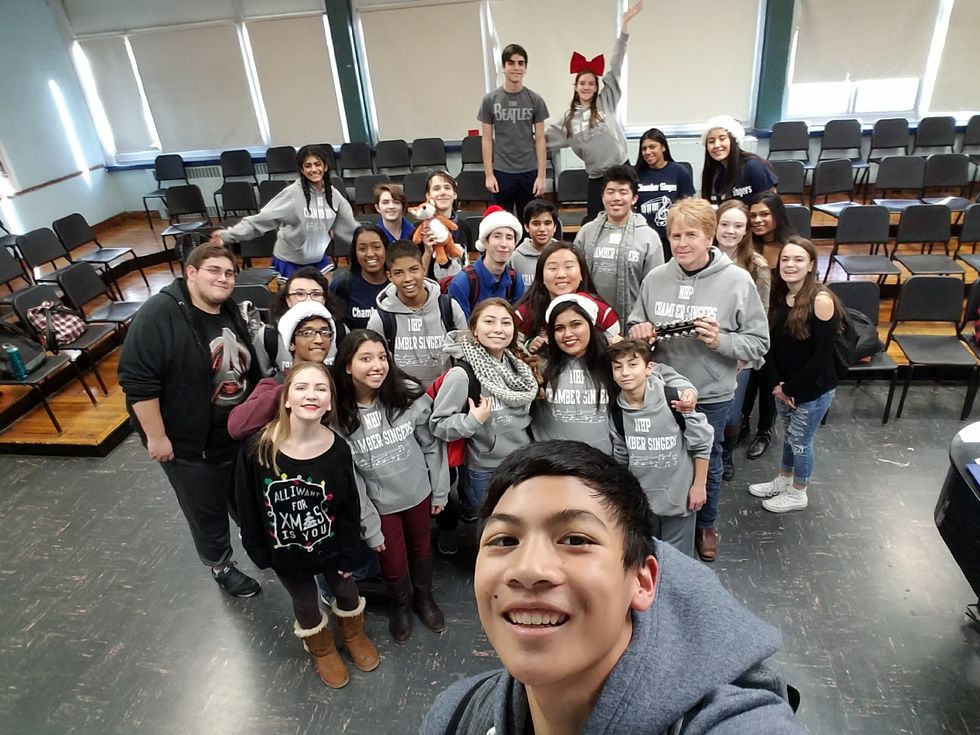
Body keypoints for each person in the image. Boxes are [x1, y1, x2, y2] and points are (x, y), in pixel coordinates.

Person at [420, 441, 805, 734]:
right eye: (504, 540)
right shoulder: (457, 714)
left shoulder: (735, 722)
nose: (528, 569)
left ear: (642, 580)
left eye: (575, 539)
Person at [628, 198, 769, 563]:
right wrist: (640, 333)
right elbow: (634, 327)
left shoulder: (738, 281)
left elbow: (758, 343)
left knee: (710, 456)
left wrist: (721, 340)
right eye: (675, 235)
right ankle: (657, 519)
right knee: (664, 454)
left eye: (692, 234)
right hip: (660, 391)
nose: (682, 243)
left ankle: (706, 523)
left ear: (711, 238)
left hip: (711, 392)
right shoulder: (656, 278)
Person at [119, 243, 262, 597]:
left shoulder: (227, 308)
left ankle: (254, 539)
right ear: (191, 273)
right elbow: (138, 384)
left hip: (236, 434)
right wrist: (156, 438)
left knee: (243, 496)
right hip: (191, 445)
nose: (223, 278)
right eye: (214, 270)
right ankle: (221, 565)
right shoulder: (158, 314)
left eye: (229, 273)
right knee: (206, 509)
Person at [234, 361, 380, 688]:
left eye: (320, 389)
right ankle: (322, 647)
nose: (310, 395)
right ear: (286, 399)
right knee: (304, 599)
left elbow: (347, 506)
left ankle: (353, 634)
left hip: (330, 547)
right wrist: (258, 551)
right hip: (286, 552)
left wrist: (349, 553)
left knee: (345, 588)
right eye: (301, 388)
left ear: (330, 402)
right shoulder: (259, 448)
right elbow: (247, 504)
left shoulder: (337, 449)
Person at [334, 331, 449, 642]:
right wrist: (368, 523)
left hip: (418, 495)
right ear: (347, 366)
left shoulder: (407, 395)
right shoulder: (338, 415)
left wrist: (440, 489)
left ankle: (424, 598)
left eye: (382, 357)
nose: (377, 365)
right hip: (380, 506)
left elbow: (431, 445)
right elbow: (352, 478)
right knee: (393, 562)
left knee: (422, 550)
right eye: (366, 358)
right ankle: (400, 604)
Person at [749, 238, 840, 514]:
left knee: (800, 442)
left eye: (798, 259)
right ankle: (784, 479)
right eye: (786, 259)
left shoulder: (821, 300)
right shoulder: (780, 295)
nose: (790, 265)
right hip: (783, 387)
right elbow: (771, 345)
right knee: (789, 437)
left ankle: (799, 491)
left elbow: (822, 357)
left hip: (810, 390)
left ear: (811, 264)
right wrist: (777, 384)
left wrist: (791, 389)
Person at [429, 298, 539, 517]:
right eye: (489, 322)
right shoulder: (462, 375)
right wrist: (472, 421)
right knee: (493, 525)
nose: (498, 329)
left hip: (521, 463)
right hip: (485, 470)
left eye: (506, 323)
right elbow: (438, 425)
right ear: (475, 330)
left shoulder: (519, 369)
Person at [608, 339, 711, 558]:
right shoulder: (617, 412)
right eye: (618, 367)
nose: (625, 372)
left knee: (678, 560)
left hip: (679, 499)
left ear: (649, 368)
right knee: (647, 557)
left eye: (633, 364)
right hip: (642, 504)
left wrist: (699, 486)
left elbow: (701, 442)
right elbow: (622, 457)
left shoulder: (673, 399)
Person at [546, 2, 643, 222]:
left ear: (596, 86)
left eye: (591, 83)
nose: (587, 87)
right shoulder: (568, 121)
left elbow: (616, 66)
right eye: (582, 83)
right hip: (597, 178)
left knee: (629, 220)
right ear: (576, 86)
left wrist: (625, 28)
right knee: (595, 223)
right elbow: (541, 138)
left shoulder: (606, 101)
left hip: (622, 170)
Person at [210, 144, 358, 278]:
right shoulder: (292, 194)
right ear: (302, 170)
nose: (313, 169)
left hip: (317, 259)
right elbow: (262, 219)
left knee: (326, 298)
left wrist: (374, 242)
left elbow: (350, 227)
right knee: (296, 303)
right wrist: (228, 235)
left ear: (325, 167)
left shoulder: (333, 195)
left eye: (317, 164)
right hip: (291, 261)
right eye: (308, 166)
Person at [714, 200, 771, 482]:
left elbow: (760, 317)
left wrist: (740, 355)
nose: (730, 231)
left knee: (732, 414)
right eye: (725, 224)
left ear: (747, 230)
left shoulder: (756, 266)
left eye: (738, 225)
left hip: (740, 354)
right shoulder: (703, 257)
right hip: (708, 349)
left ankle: (726, 453)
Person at [741, 192, 799, 462]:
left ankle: (764, 430)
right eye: (753, 215)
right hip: (751, 324)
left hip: (781, 327)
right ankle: (741, 424)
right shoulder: (747, 245)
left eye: (764, 214)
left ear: (777, 215)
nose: (758, 220)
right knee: (747, 380)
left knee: (769, 380)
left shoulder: (792, 247)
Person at [366, 240, 467, 387]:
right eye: (399, 273)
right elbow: (376, 365)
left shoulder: (449, 308)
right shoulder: (381, 319)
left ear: (423, 269)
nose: (408, 279)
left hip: (447, 394)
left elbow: (467, 353)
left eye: (413, 270)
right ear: (390, 276)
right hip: (403, 398)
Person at [574, 164, 663, 325]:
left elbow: (656, 288)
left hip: (633, 326)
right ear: (602, 196)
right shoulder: (586, 232)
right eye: (610, 192)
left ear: (634, 198)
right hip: (590, 324)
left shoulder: (649, 237)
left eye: (623, 192)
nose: (616, 198)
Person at [531, 294, 617, 453]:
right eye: (559, 328)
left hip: (600, 465)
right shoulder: (540, 365)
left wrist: (679, 388)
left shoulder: (612, 362)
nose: (567, 334)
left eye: (576, 324)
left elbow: (655, 371)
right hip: (550, 465)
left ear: (590, 325)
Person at [478, 43, 549, 218]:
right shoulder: (490, 100)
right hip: (502, 172)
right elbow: (487, 139)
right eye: (511, 63)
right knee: (503, 223)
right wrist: (489, 175)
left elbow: (540, 140)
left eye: (521, 63)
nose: (516, 67)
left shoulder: (535, 100)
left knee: (530, 223)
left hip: (529, 172)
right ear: (503, 67)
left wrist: (541, 176)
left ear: (525, 68)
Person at [515, 241, 621, 354]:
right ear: (541, 277)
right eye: (552, 268)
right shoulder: (523, 315)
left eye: (569, 267)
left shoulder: (604, 314)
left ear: (582, 273)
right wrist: (528, 347)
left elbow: (617, 359)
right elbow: (510, 353)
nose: (561, 274)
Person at [254, 266, 347, 374]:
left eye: (316, 294)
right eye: (299, 294)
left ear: (324, 299)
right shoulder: (267, 335)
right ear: (287, 300)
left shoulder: (341, 330)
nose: (308, 300)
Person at [447, 205, 525, 319]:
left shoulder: (516, 280)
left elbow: (518, 325)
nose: (504, 244)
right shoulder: (462, 283)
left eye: (509, 238)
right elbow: (462, 332)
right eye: (497, 236)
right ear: (485, 242)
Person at [634, 127, 695, 256]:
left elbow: (689, 206)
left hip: (672, 237)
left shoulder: (679, 172)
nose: (647, 152)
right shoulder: (636, 174)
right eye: (644, 149)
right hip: (644, 237)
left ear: (663, 147)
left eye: (652, 147)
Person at [700, 116, 778, 205]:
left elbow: (772, 205)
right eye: (711, 141)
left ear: (734, 140)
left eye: (722, 139)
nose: (716, 145)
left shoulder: (754, 166)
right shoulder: (719, 177)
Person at [329, 225, 389, 330]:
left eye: (376, 247)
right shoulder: (341, 285)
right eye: (362, 249)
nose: (370, 254)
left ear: (386, 249)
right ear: (355, 253)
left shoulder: (397, 283)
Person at [418, 171, 472, 282]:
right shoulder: (420, 230)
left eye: (447, 188)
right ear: (428, 196)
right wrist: (428, 251)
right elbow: (418, 276)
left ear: (455, 194)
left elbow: (467, 261)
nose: (443, 192)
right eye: (436, 188)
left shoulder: (464, 226)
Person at [510, 199, 560, 289]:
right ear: (526, 227)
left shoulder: (564, 254)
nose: (542, 229)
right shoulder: (515, 258)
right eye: (536, 224)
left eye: (547, 223)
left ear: (555, 227)